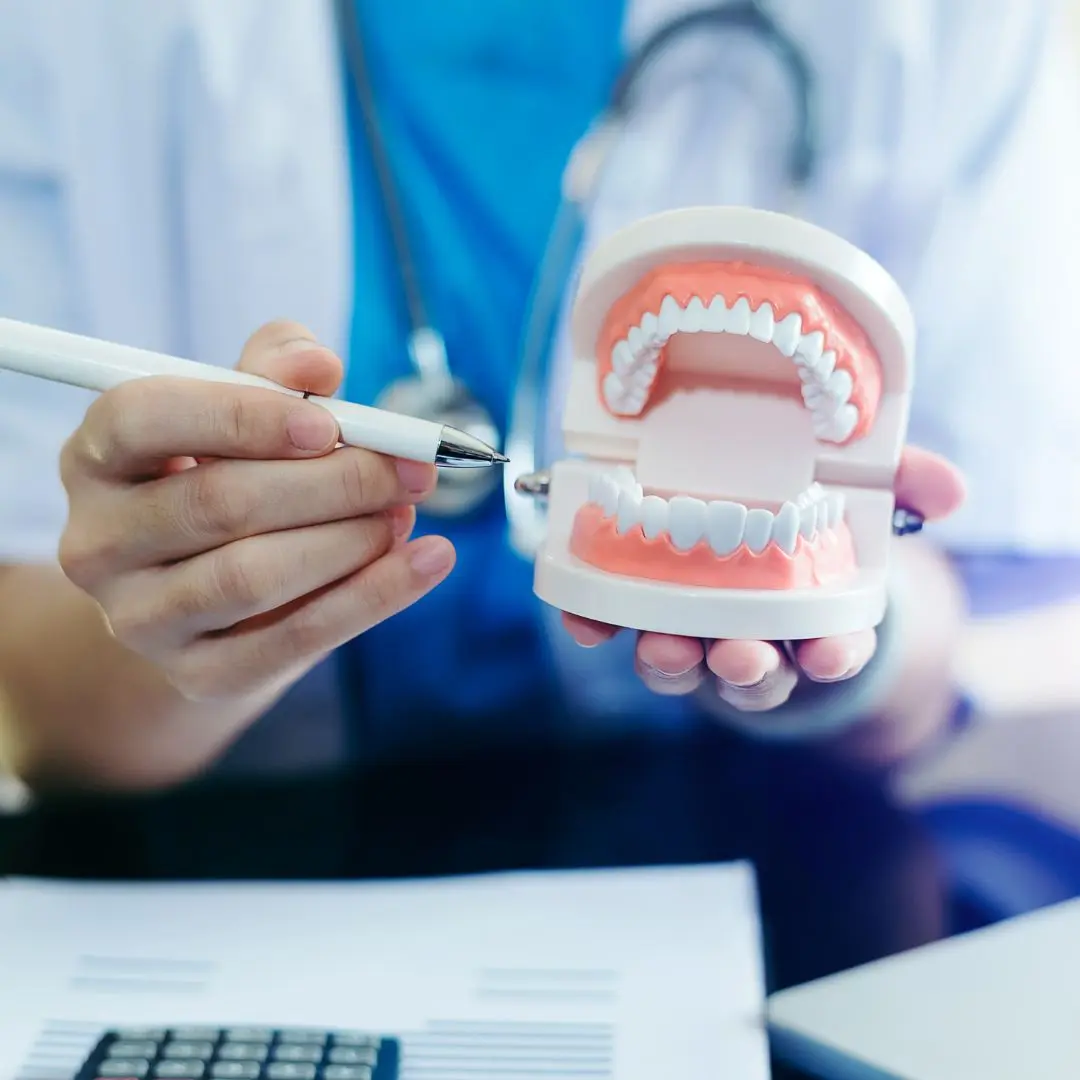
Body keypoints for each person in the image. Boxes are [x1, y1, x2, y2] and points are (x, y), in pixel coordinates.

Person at [1, 0, 1079, 792]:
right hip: (247, 866)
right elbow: (46, 714)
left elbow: (953, 635)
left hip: (749, 866)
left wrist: (843, 629)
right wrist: (176, 626)